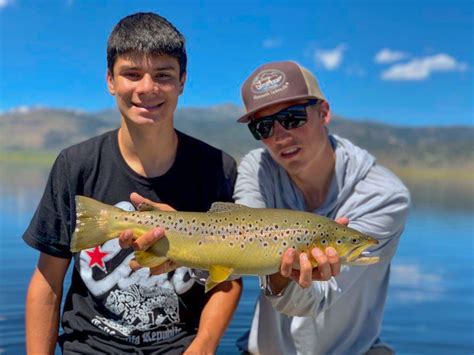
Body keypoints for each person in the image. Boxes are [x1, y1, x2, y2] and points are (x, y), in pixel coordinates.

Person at [23, 12, 242, 354]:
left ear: (182, 81)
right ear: (110, 80)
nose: (147, 88)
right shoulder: (76, 165)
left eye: (163, 75)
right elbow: (48, 280)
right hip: (89, 347)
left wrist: (203, 346)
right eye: (132, 74)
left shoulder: (217, 168)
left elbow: (228, 278)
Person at [233, 61, 410, 354]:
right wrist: (178, 247)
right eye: (263, 126)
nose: (279, 136)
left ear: (324, 113)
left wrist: (279, 273)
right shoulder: (259, 168)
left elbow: (318, 298)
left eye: (292, 118)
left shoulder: (384, 196)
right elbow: (236, 245)